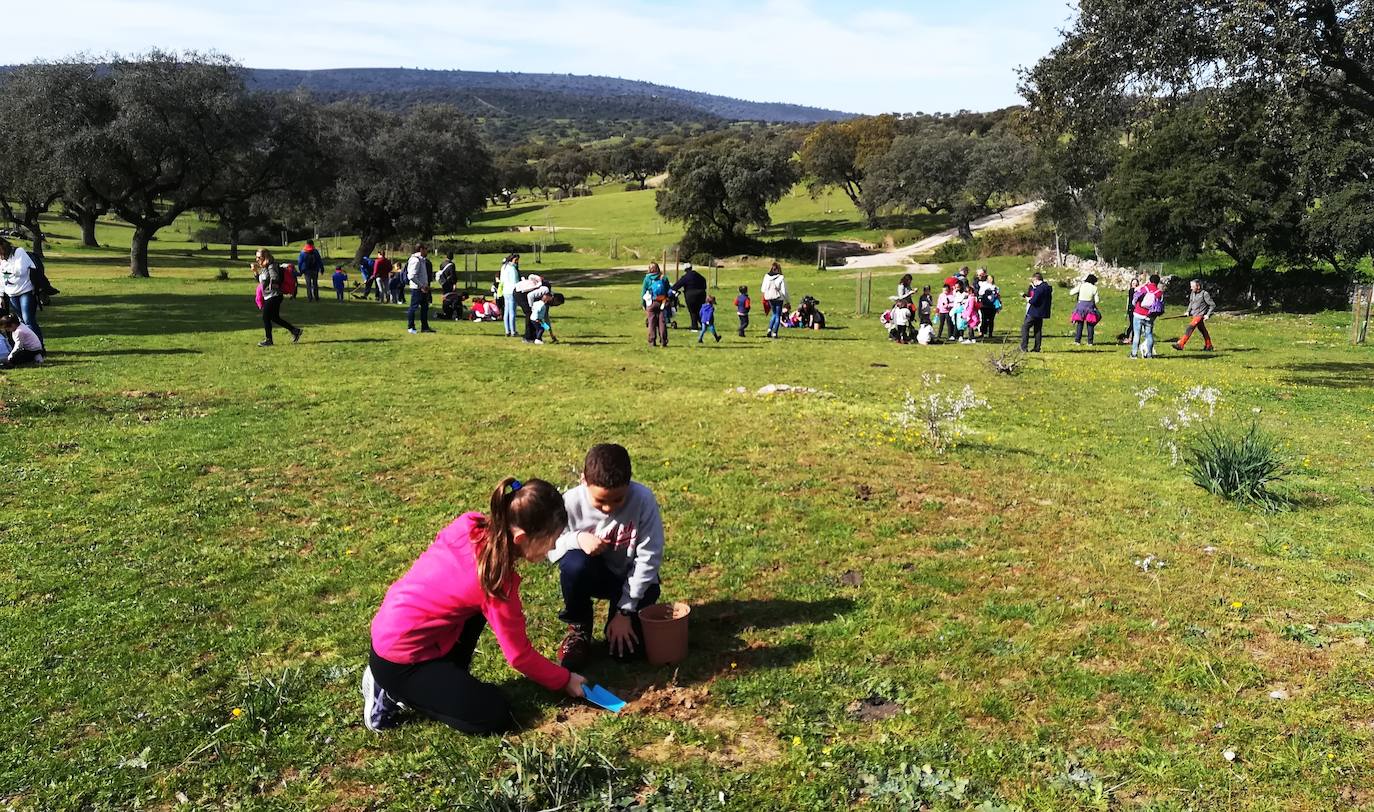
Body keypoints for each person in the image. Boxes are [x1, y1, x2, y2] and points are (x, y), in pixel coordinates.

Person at [363, 477, 589, 733]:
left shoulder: (470, 524)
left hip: (394, 628)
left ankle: (439, 679)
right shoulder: (494, 580)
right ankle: (391, 693)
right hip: (399, 659)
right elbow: (520, 656)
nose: (555, 545)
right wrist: (564, 679)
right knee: (493, 715)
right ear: (522, 537)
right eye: (552, 538)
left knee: (473, 613)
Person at [551, 444, 665, 668]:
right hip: (592, 574)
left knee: (624, 655)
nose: (608, 508)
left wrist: (625, 610)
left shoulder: (643, 499)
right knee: (574, 562)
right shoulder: (570, 503)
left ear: (629, 483)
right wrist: (578, 539)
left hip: (631, 580)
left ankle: (620, 621)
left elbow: (649, 555)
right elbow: (550, 545)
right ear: (584, 481)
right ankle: (579, 628)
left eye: (618, 500)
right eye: (600, 501)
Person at [255, 249, 302, 347]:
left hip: (274, 296)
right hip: (269, 296)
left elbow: (275, 277)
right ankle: (295, 330)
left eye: (259, 257)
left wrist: (272, 285)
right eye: (256, 257)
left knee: (265, 317)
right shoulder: (264, 267)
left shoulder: (271, 266)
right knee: (275, 318)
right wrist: (255, 272)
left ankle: (269, 340)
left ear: (265, 257)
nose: (257, 259)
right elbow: (261, 281)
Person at [1, 237, 42, 345]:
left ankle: (39, 346)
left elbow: (20, 270)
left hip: (25, 290)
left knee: (28, 320)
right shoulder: (1, 259)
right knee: (21, 322)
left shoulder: (18, 252)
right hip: (11, 293)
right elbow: (2, 278)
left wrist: (7, 270)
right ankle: (28, 346)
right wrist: (1, 295)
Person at [1173, 279, 1217, 351]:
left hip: (1199, 315)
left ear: (1198, 286)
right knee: (1203, 330)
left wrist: (1208, 315)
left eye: (1192, 286)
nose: (1191, 288)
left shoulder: (1204, 294)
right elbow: (1191, 303)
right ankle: (1209, 346)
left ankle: (1180, 344)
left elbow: (1212, 305)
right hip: (1194, 314)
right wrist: (1187, 311)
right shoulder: (1192, 293)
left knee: (1190, 328)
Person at [1130, 273, 1165, 359]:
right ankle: (1149, 354)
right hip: (1150, 316)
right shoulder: (1159, 293)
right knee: (1149, 334)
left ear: (1149, 280)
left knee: (1137, 334)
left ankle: (1134, 354)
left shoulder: (1143, 288)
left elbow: (1135, 297)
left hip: (1138, 314)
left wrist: (1134, 305)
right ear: (1158, 282)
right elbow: (1160, 306)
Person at [406, 244, 435, 335]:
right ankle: (411, 327)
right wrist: (421, 285)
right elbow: (411, 276)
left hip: (423, 288)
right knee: (413, 308)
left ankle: (425, 327)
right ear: (421, 249)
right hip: (417, 289)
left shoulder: (422, 260)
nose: (427, 251)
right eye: (426, 249)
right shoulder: (415, 260)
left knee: (425, 308)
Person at [1020, 272, 1052, 353]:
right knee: (1037, 330)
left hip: (1035, 311)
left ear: (1036, 279)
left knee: (1025, 327)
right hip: (1042, 312)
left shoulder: (1039, 288)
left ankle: (1024, 347)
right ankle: (1037, 347)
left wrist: (1028, 299)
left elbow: (1033, 301)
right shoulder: (1047, 288)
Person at [672, 262, 709, 332]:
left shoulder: (685, 277)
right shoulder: (699, 276)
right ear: (691, 268)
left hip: (690, 295)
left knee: (692, 311)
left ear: (685, 270)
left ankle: (694, 327)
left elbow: (677, 285)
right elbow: (704, 282)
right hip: (701, 294)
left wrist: (673, 290)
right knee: (699, 310)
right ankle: (704, 325)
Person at [1068, 274, 1102, 345]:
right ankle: (1090, 342)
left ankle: (1077, 341)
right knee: (1090, 325)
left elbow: (1071, 293)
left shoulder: (1081, 285)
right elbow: (1097, 300)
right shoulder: (1094, 288)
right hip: (1090, 307)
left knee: (1080, 324)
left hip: (1080, 307)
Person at [642, 264, 670, 347]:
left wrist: (643, 304)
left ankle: (652, 341)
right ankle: (663, 341)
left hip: (651, 302)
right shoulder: (663, 277)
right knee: (662, 322)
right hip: (662, 301)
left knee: (651, 322)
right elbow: (668, 290)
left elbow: (643, 292)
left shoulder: (647, 278)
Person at [761, 262, 788, 339]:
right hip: (778, 298)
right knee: (778, 315)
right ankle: (775, 332)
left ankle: (769, 329)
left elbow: (763, 289)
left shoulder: (766, 276)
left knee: (774, 314)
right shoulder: (781, 277)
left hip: (770, 297)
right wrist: (787, 300)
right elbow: (784, 290)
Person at [499, 254, 521, 337]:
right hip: (512, 291)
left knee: (507, 311)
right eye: (516, 260)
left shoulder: (503, 267)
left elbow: (502, 280)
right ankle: (513, 331)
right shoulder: (512, 269)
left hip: (505, 291)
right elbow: (515, 281)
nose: (517, 262)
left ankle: (507, 330)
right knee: (512, 312)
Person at [977, 274, 1000, 338]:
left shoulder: (996, 287)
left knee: (991, 320)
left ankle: (990, 333)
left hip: (992, 306)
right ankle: (982, 332)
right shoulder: (984, 286)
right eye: (989, 278)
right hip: (984, 305)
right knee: (984, 319)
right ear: (987, 279)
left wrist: (998, 306)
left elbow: (998, 297)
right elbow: (980, 294)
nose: (991, 280)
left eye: (992, 278)